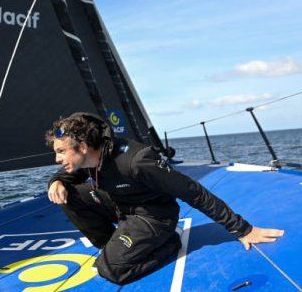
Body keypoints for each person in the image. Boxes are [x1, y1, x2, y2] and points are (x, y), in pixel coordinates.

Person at [46, 112, 284, 285]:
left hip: (153, 217)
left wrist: (242, 229)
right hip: (122, 206)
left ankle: (168, 243)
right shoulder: (89, 158)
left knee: (112, 271)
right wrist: (56, 181)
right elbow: (68, 172)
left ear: (84, 146)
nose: (57, 159)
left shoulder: (137, 161)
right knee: (67, 195)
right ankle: (112, 245)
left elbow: (193, 191)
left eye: (61, 151)